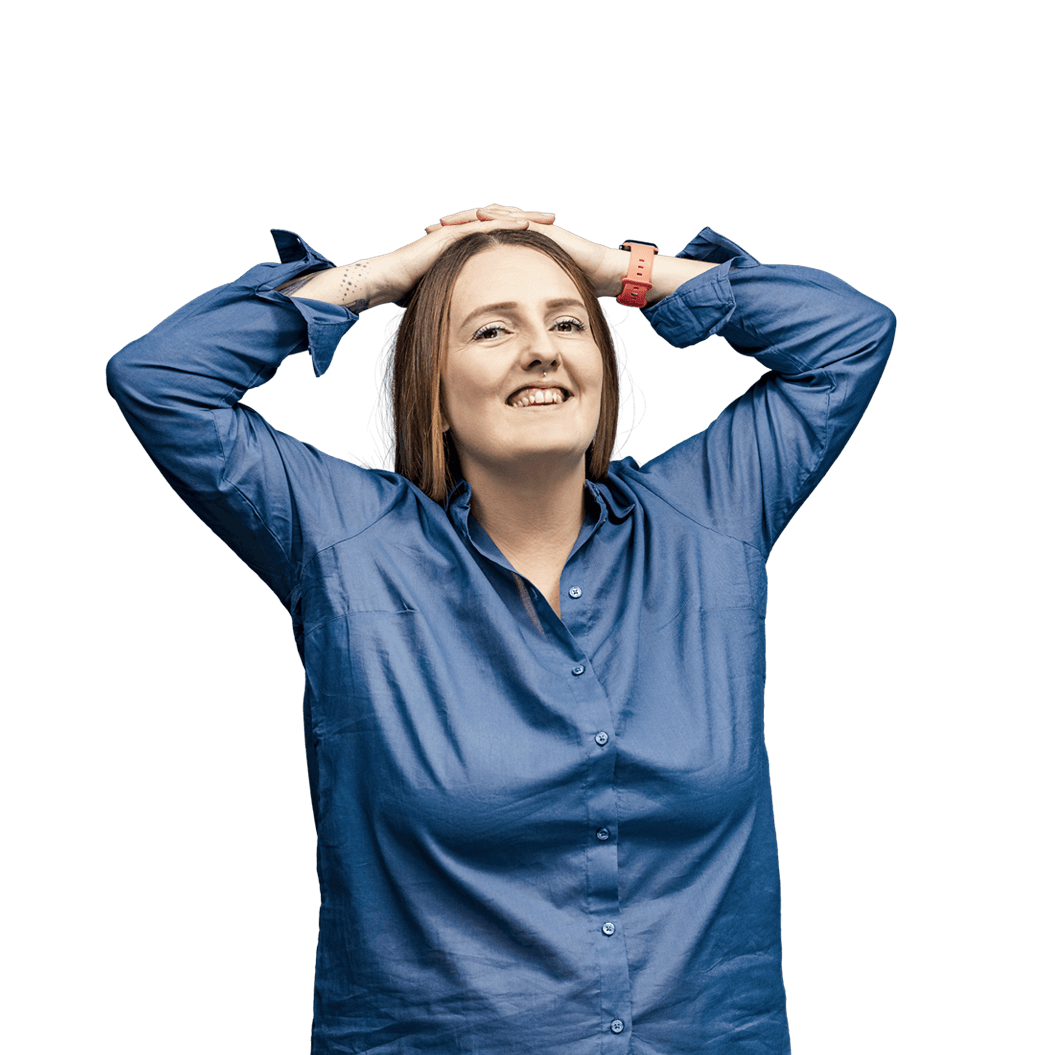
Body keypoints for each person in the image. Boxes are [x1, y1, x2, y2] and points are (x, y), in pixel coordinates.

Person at [106, 203, 896, 1054]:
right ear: (434, 393)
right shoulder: (351, 544)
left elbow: (846, 336)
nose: (542, 349)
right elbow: (163, 379)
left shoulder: (706, 516)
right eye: (491, 330)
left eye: (567, 323)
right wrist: (386, 277)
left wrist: (607, 268)